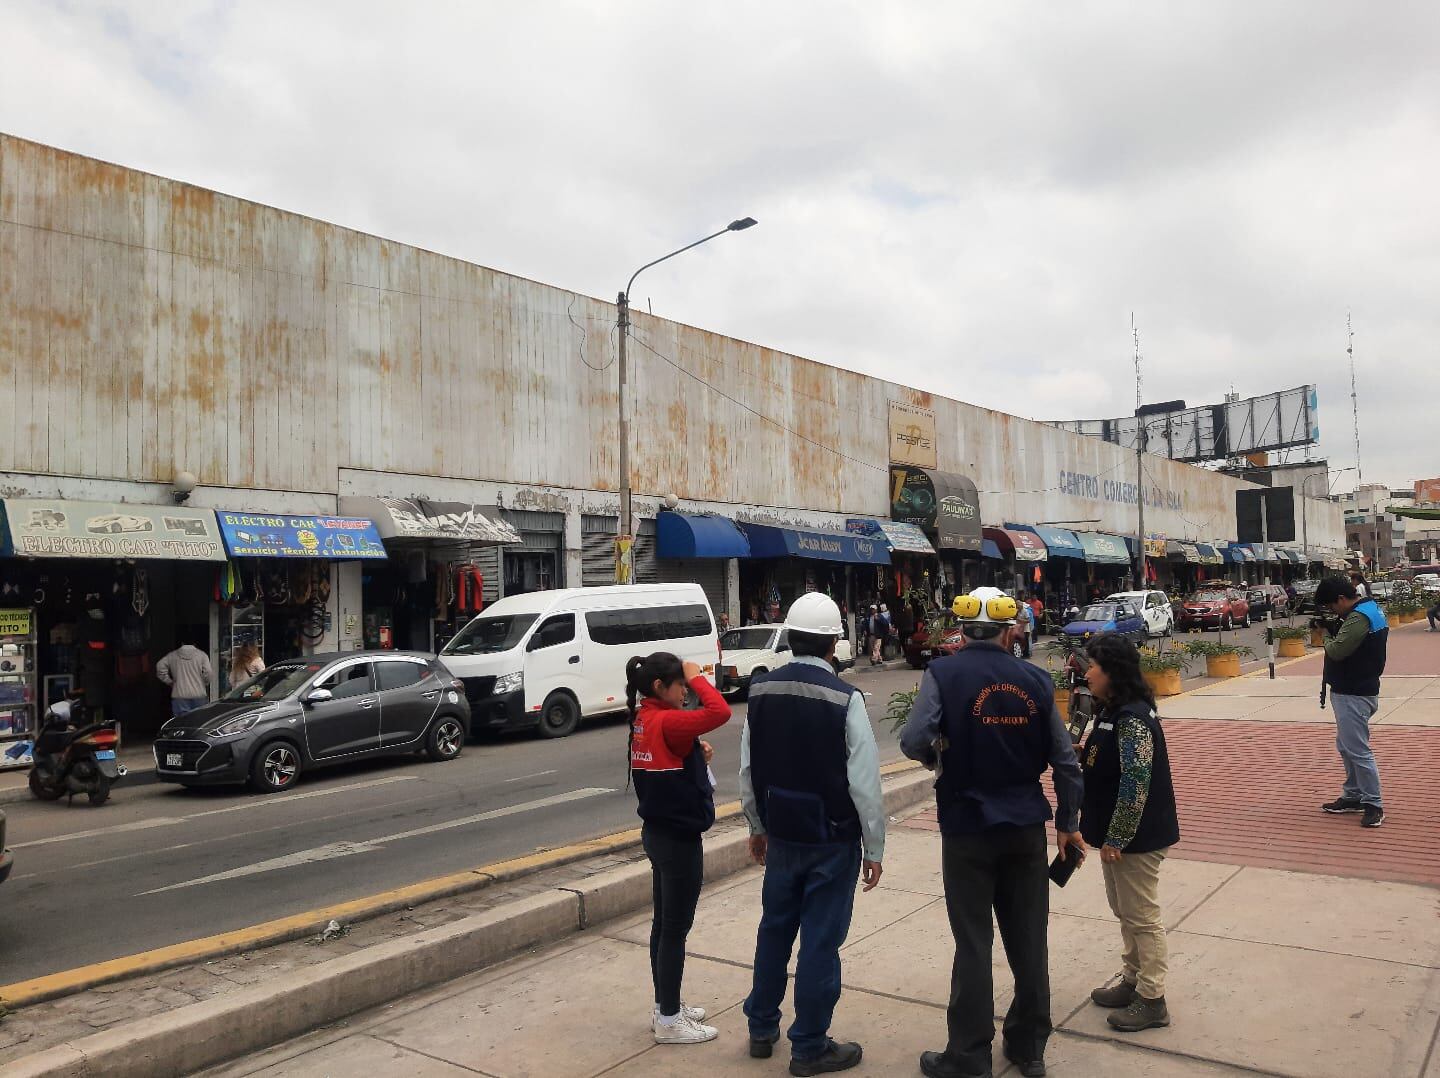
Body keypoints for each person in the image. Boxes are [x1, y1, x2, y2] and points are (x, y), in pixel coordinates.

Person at [900, 587, 1085, 1078]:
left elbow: (914, 738)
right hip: (1025, 825)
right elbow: (1066, 762)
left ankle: (968, 1055)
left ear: (961, 630)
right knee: (1029, 939)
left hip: (965, 826)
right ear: (1009, 630)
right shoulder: (1034, 679)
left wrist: (938, 758)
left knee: (974, 941)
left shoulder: (942, 672)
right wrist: (1067, 825)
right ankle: (1029, 1048)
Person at [740, 592, 885, 1076]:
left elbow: (748, 769)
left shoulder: (759, 691)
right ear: (833, 644)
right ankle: (809, 1047)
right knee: (820, 942)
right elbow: (864, 783)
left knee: (773, 931)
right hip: (832, 841)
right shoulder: (846, 698)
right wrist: (875, 846)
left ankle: (761, 1028)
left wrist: (757, 827)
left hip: (781, 835)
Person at [627, 652, 732, 1044]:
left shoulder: (645, 718)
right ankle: (670, 1020)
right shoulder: (668, 720)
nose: (686, 689)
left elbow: (667, 761)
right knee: (674, 930)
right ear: (660, 687)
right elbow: (719, 711)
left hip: (657, 833)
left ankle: (664, 1006)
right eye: (681, 684)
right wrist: (699, 675)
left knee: (663, 925)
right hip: (678, 840)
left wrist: (694, 755)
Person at [1078, 634, 1180, 1034]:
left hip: (1136, 839)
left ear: (1112, 672)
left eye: (1093, 667)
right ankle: (1133, 979)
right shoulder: (1111, 712)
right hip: (1115, 836)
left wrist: (1117, 837)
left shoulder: (1133, 719)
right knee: (1126, 912)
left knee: (1142, 916)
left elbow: (1135, 783)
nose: (1086, 673)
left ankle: (1153, 999)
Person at [1315, 576, 1388, 828]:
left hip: (1354, 692)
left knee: (1358, 750)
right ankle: (1354, 795)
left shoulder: (1359, 617)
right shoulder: (1370, 608)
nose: (1332, 612)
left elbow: (1337, 650)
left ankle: (1373, 804)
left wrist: (1324, 637)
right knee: (1347, 746)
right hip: (1358, 689)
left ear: (1341, 599)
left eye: (1332, 607)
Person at [156, 639, 214, 716]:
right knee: (200, 722)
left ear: (182, 643)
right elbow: (209, 673)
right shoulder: (202, 655)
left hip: (180, 696)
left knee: (182, 724)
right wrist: (204, 683)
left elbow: (160, 667)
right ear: (195, 644)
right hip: (199, 695)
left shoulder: (172, 655)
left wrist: (169, 682)